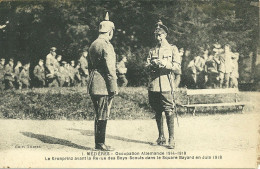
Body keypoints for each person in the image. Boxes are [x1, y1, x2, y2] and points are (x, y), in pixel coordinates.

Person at [146, 20, 180, 149]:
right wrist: (152, 65)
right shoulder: (152, 50)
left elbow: (177, 67)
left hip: (166, 85)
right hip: (154, 86)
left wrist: (165, 64)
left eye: (160, 35)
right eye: (156, 35)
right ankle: (161, 137)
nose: (158, 37)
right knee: (157, 111)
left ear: (165, 34)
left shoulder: (172, 49)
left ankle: (171, 139)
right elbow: (146, 66)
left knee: (168, 110)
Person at [87, 12, 117, 151]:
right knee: (103, 113)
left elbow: (89, 66)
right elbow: (110, 69)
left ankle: (98, 143)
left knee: (98, 113)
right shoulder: (106, 45)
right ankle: (100, 144)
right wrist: (113, 88)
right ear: (110, 32)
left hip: (93, 82)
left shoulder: (93, 44)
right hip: (103, 84)